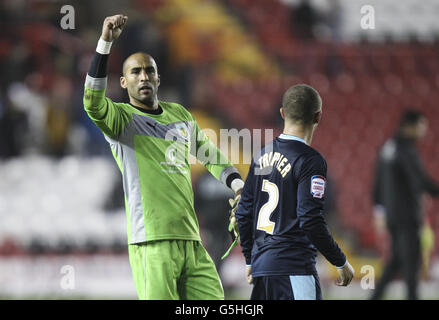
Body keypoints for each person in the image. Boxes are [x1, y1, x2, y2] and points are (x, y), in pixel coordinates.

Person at [83, 15, 244, 300]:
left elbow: (210, 155)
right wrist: (105, 43)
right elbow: (92, 102)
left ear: (158, 77)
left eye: (148, 71)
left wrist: (237, 185)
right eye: (135, 72)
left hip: (192, 242)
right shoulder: (122, 119)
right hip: (151, 241)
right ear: (123, 81)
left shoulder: (180, 115)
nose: (143, 76)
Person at [234, 84, 354, 300]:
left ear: (282, 113)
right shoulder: (310, 160)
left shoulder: (262, 154)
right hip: (294, 268)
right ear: (318, 117)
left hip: (263, 272)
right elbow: (310, 219)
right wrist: (340, 261)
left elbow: (243, 212)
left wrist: (251, 260)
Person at [371, 110, 439, 300]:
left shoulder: (387, 147)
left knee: (397, 261)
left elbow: (377, 183)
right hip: (407, 216)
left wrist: (379, 210)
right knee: (411, 265)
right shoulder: (406, 149)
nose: (424, 130)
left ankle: (375, 296)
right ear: (410, 126)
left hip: (392, 215)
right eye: (421, 125)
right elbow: (419, 180)